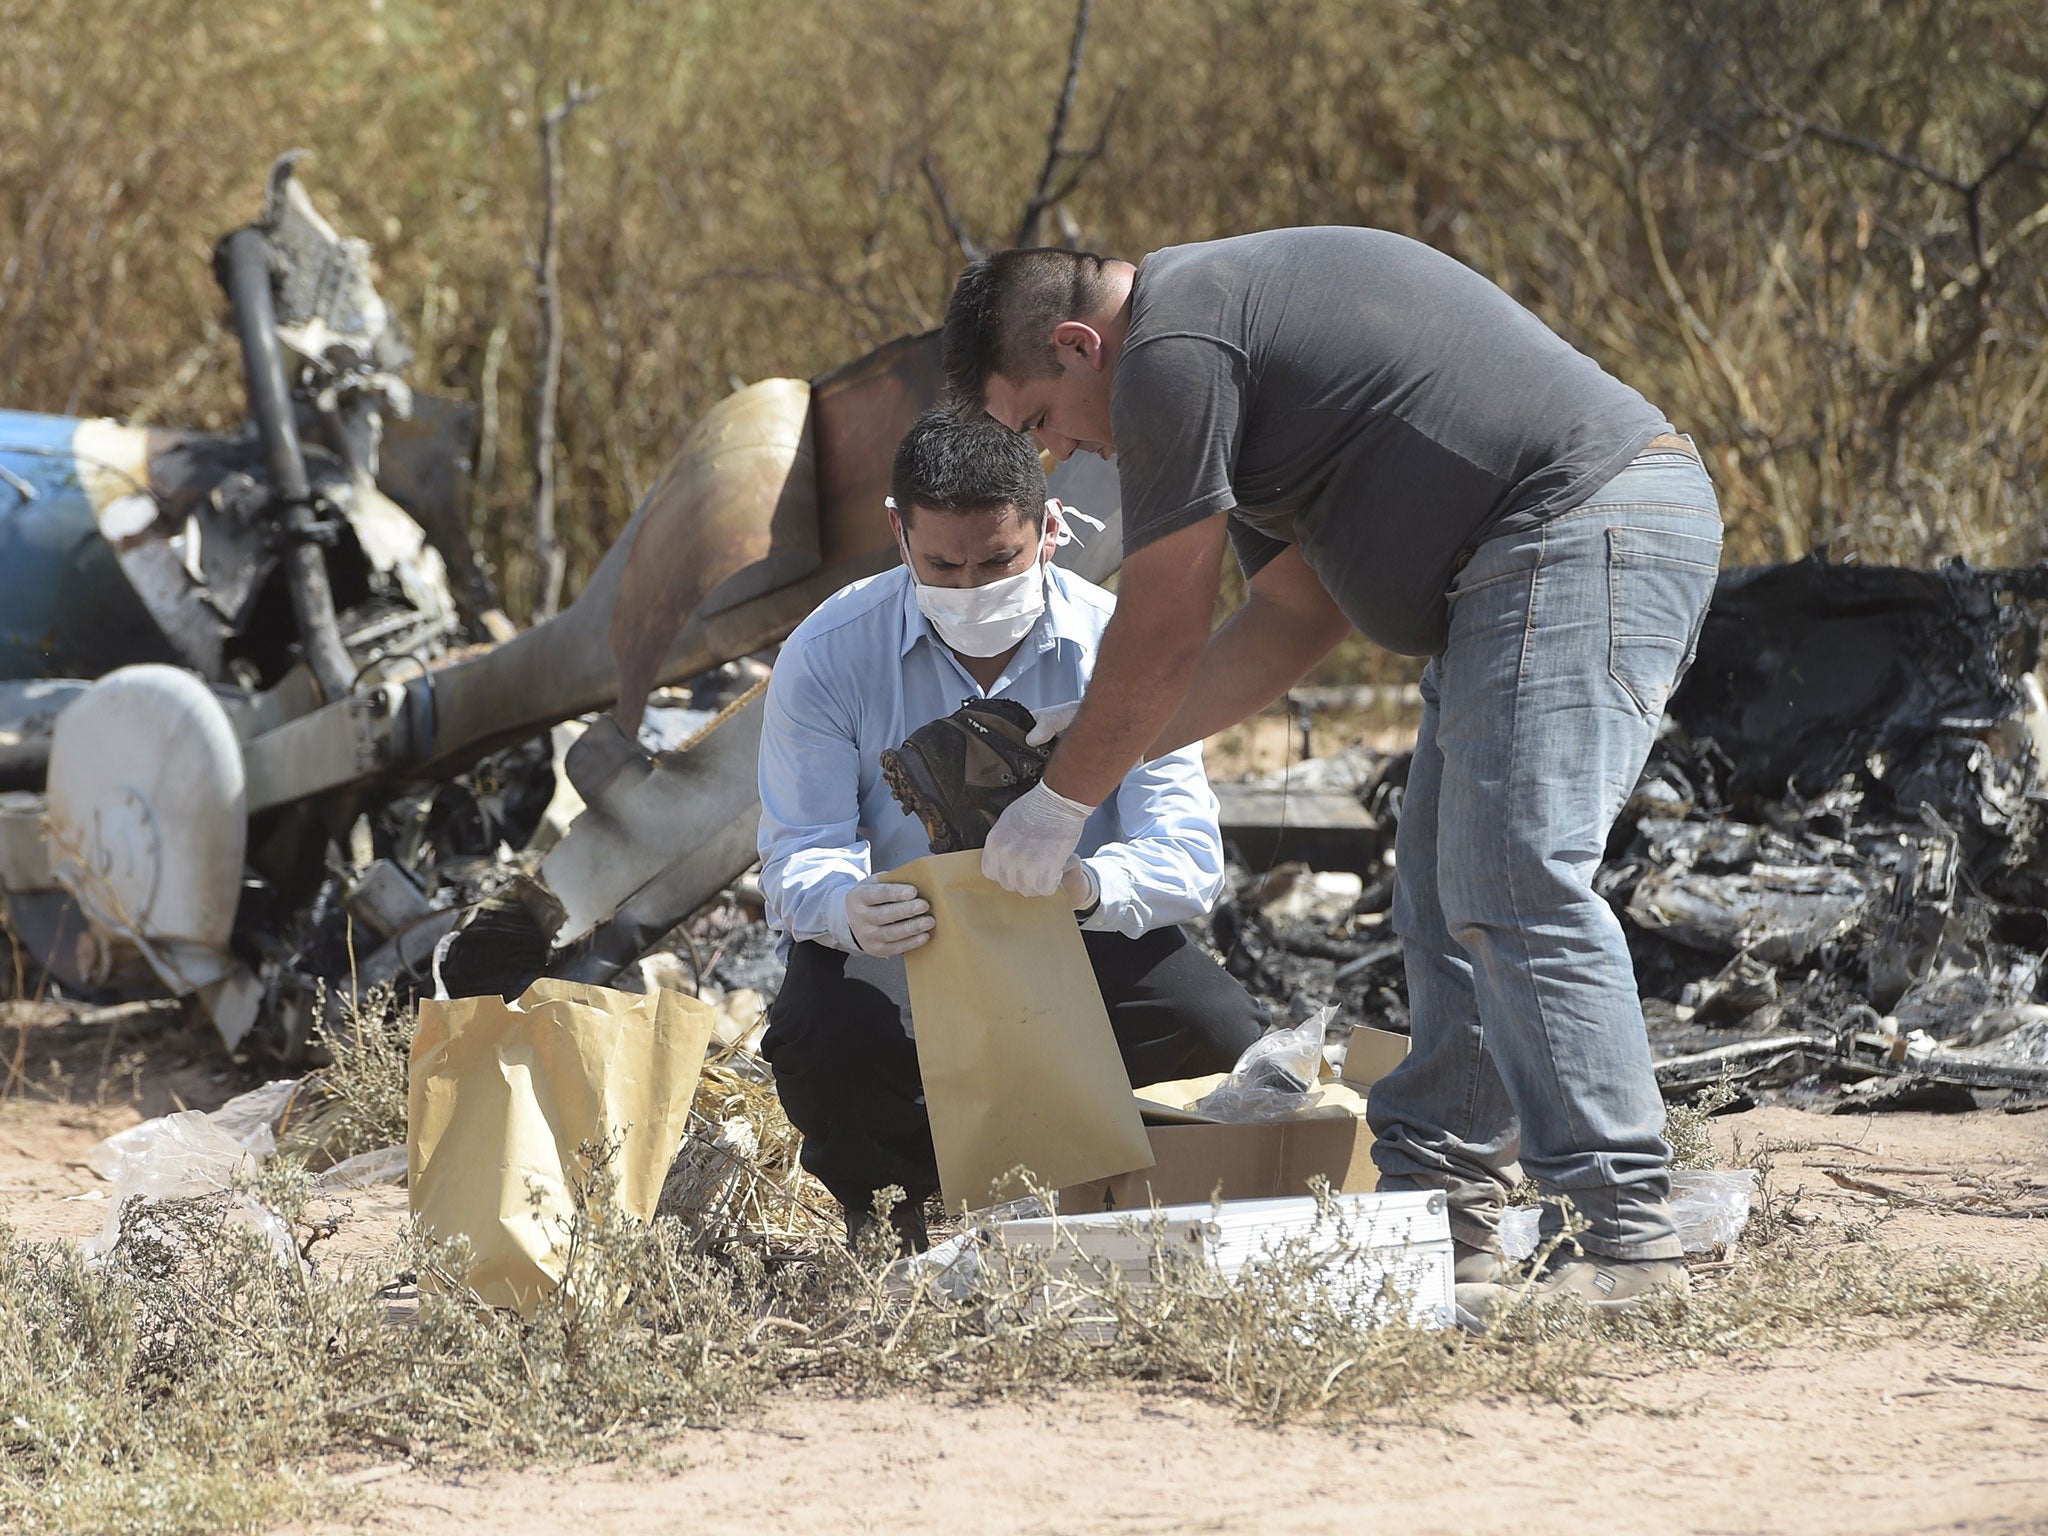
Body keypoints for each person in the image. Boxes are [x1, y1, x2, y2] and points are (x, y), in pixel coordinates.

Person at [940, 227, 1723, 1312]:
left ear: (1078, 346)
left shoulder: (1171, 347)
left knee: (1513, 876)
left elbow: (1164, 626)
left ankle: (1625, 1244)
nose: (1060, 454)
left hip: (1577, 524)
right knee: (1449, 897)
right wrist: (1096, 738)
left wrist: (1067, 796)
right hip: (1513, 566)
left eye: (1037, 423)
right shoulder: (1225, 362)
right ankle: (1444, 1224)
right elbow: (1287, 620)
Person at [755, 405, 1263, 1249]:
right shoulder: (828, 652)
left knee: (1217, 1036)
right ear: (897, 533)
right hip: (901, 940)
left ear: (1052, 527)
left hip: (1076, 925)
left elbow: (1187, 855)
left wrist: (1087, 884)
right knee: (823, 1033)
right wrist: (846, 908)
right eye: (941, 564)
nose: (969, 589)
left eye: (998, 561)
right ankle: (897, 1227)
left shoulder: (1122, 644)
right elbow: (798, 850)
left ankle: (1149, 1219)